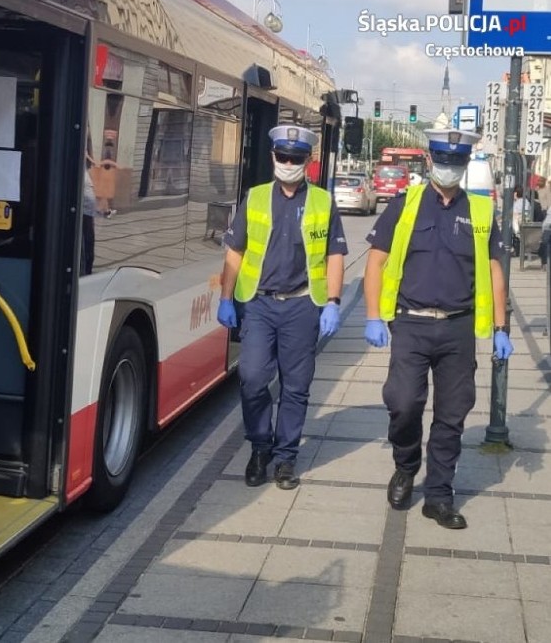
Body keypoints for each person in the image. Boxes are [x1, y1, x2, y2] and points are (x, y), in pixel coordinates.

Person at [363, 128, 513, 530]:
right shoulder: (405, 204)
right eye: (443, 161)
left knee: (452, 414)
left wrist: (502, 326)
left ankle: (439, 496)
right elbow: (375, 261)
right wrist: (374, 316)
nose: (449, 169)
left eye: (456, 162)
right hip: (411, 324)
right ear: (430, 161)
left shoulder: (481, 212)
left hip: (458, 329)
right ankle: (407, 465)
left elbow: (495, 271)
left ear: (465, 165)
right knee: (403, 402)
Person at [217, 125, 347, 489]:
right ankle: (260, 446)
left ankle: (285, 458)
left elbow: (334, 254)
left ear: (308, 161)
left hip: (303, 305)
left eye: (297, 158)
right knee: (253, 378)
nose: (289, 163)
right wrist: (226, 298)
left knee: (297, 386)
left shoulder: (323, 201)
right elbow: (235, 250)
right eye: (283, 156)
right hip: (258, 304)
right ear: (273, 156)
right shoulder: (256, 197)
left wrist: (334, 302)